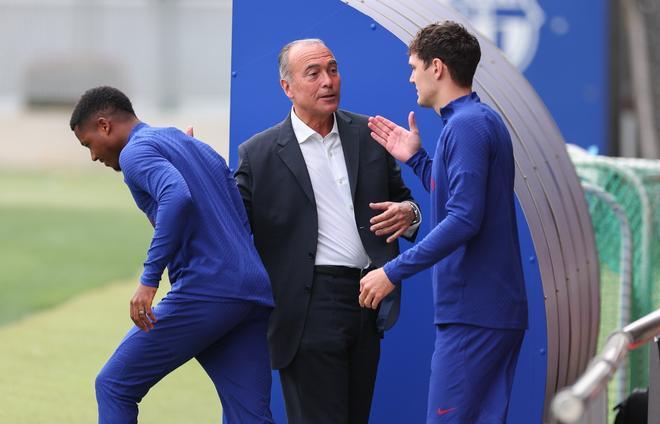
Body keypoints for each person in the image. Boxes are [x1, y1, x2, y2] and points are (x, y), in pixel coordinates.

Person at [234, 39, 421, 423]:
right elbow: (229, 224)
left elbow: (405, 203)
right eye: (313, 73)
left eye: (333, 69)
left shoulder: (368, 135)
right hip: (306, 308)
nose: (328, 81)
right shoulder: (258, 154)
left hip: (368, 300)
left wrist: (410, 213)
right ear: (287, 87)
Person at [69, 86, 275, 424]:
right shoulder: (192, 145)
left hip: (210, 290)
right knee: (249, 416)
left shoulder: (134, 153)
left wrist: (149, 279)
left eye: (88, 144)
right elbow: (237, 213)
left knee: (114, 385)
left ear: (104, 125)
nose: (93, 156)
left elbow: (177, 197)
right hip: (251, 290)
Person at [360, 21, 529, 422]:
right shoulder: (473, 121)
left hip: (475, 314)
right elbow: (462, 201)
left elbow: (464, 219)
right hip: (485, 313)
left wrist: (392, 272)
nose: (410, 76)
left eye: (415, 66)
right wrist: (417, 159)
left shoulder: (468, 125)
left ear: (437, 67)